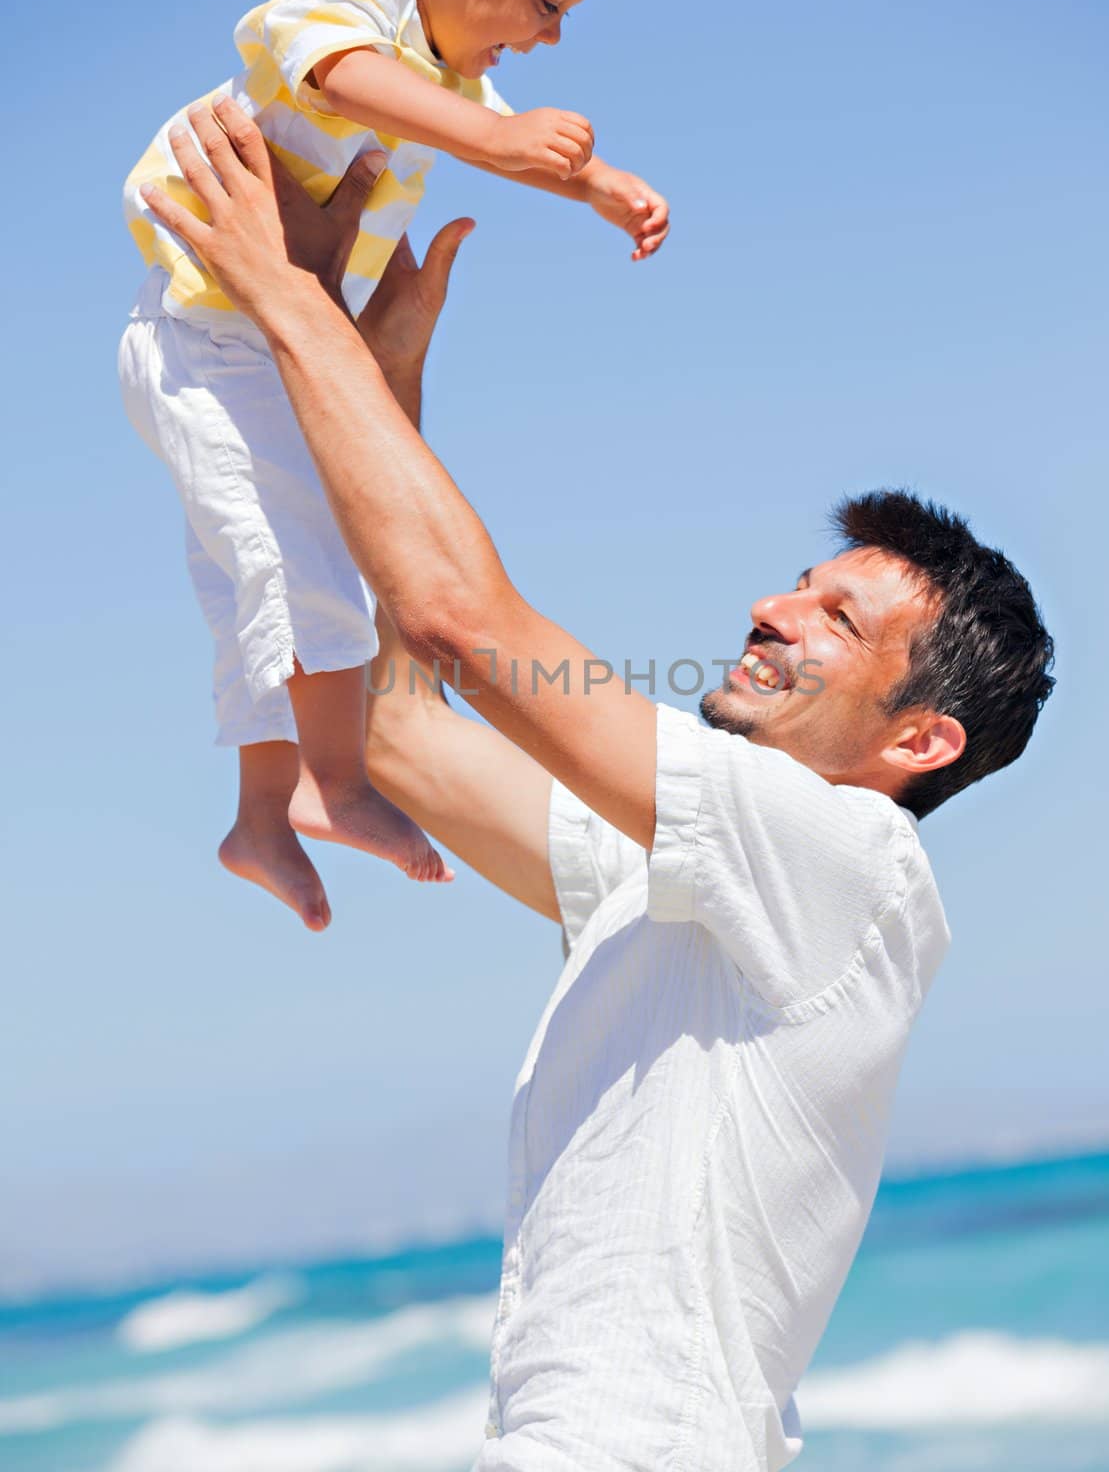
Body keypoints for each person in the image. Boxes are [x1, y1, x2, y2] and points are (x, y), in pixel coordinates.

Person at [140, 101, 1054, 1470]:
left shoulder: (848, 865)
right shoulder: (679, 875)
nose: (767, 611)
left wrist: (286, 303)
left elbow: (471, 627)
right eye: (794, 585)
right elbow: (393, 725)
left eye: (834, 621)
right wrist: (380, 380)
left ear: (917, 741)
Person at [119, 0, 668, 931]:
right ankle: (337, 777)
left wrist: (596, 185)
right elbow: (332, 71)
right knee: (303, 559)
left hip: (248, 339)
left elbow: (497, 131)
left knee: (260, 575)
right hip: (203, 331)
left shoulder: (442, 64)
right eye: (547, 3)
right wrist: (495, 142)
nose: (551, 40)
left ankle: (263, 815)